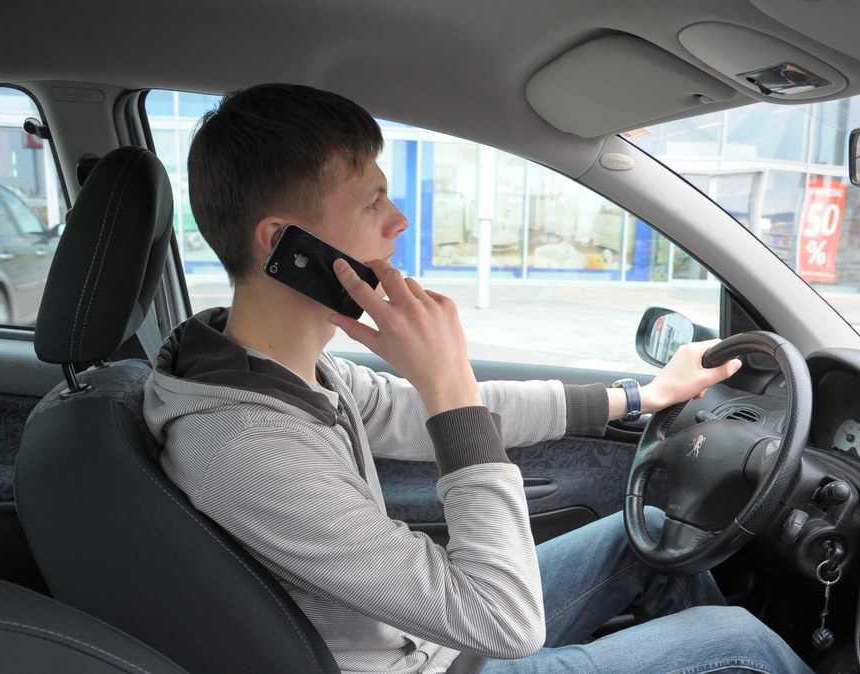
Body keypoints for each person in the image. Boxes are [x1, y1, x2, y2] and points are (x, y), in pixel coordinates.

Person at [144, 83, 812, 674]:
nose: (398, 221)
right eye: (373, 200)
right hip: (436, 660)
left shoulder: (278, 371)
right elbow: (505, 625)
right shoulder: (248, 448)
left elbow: (430, 410)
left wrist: (639, 396)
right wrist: (448, 385)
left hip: (431, 636)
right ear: (285, 242)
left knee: (650, 540)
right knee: (737, 642)